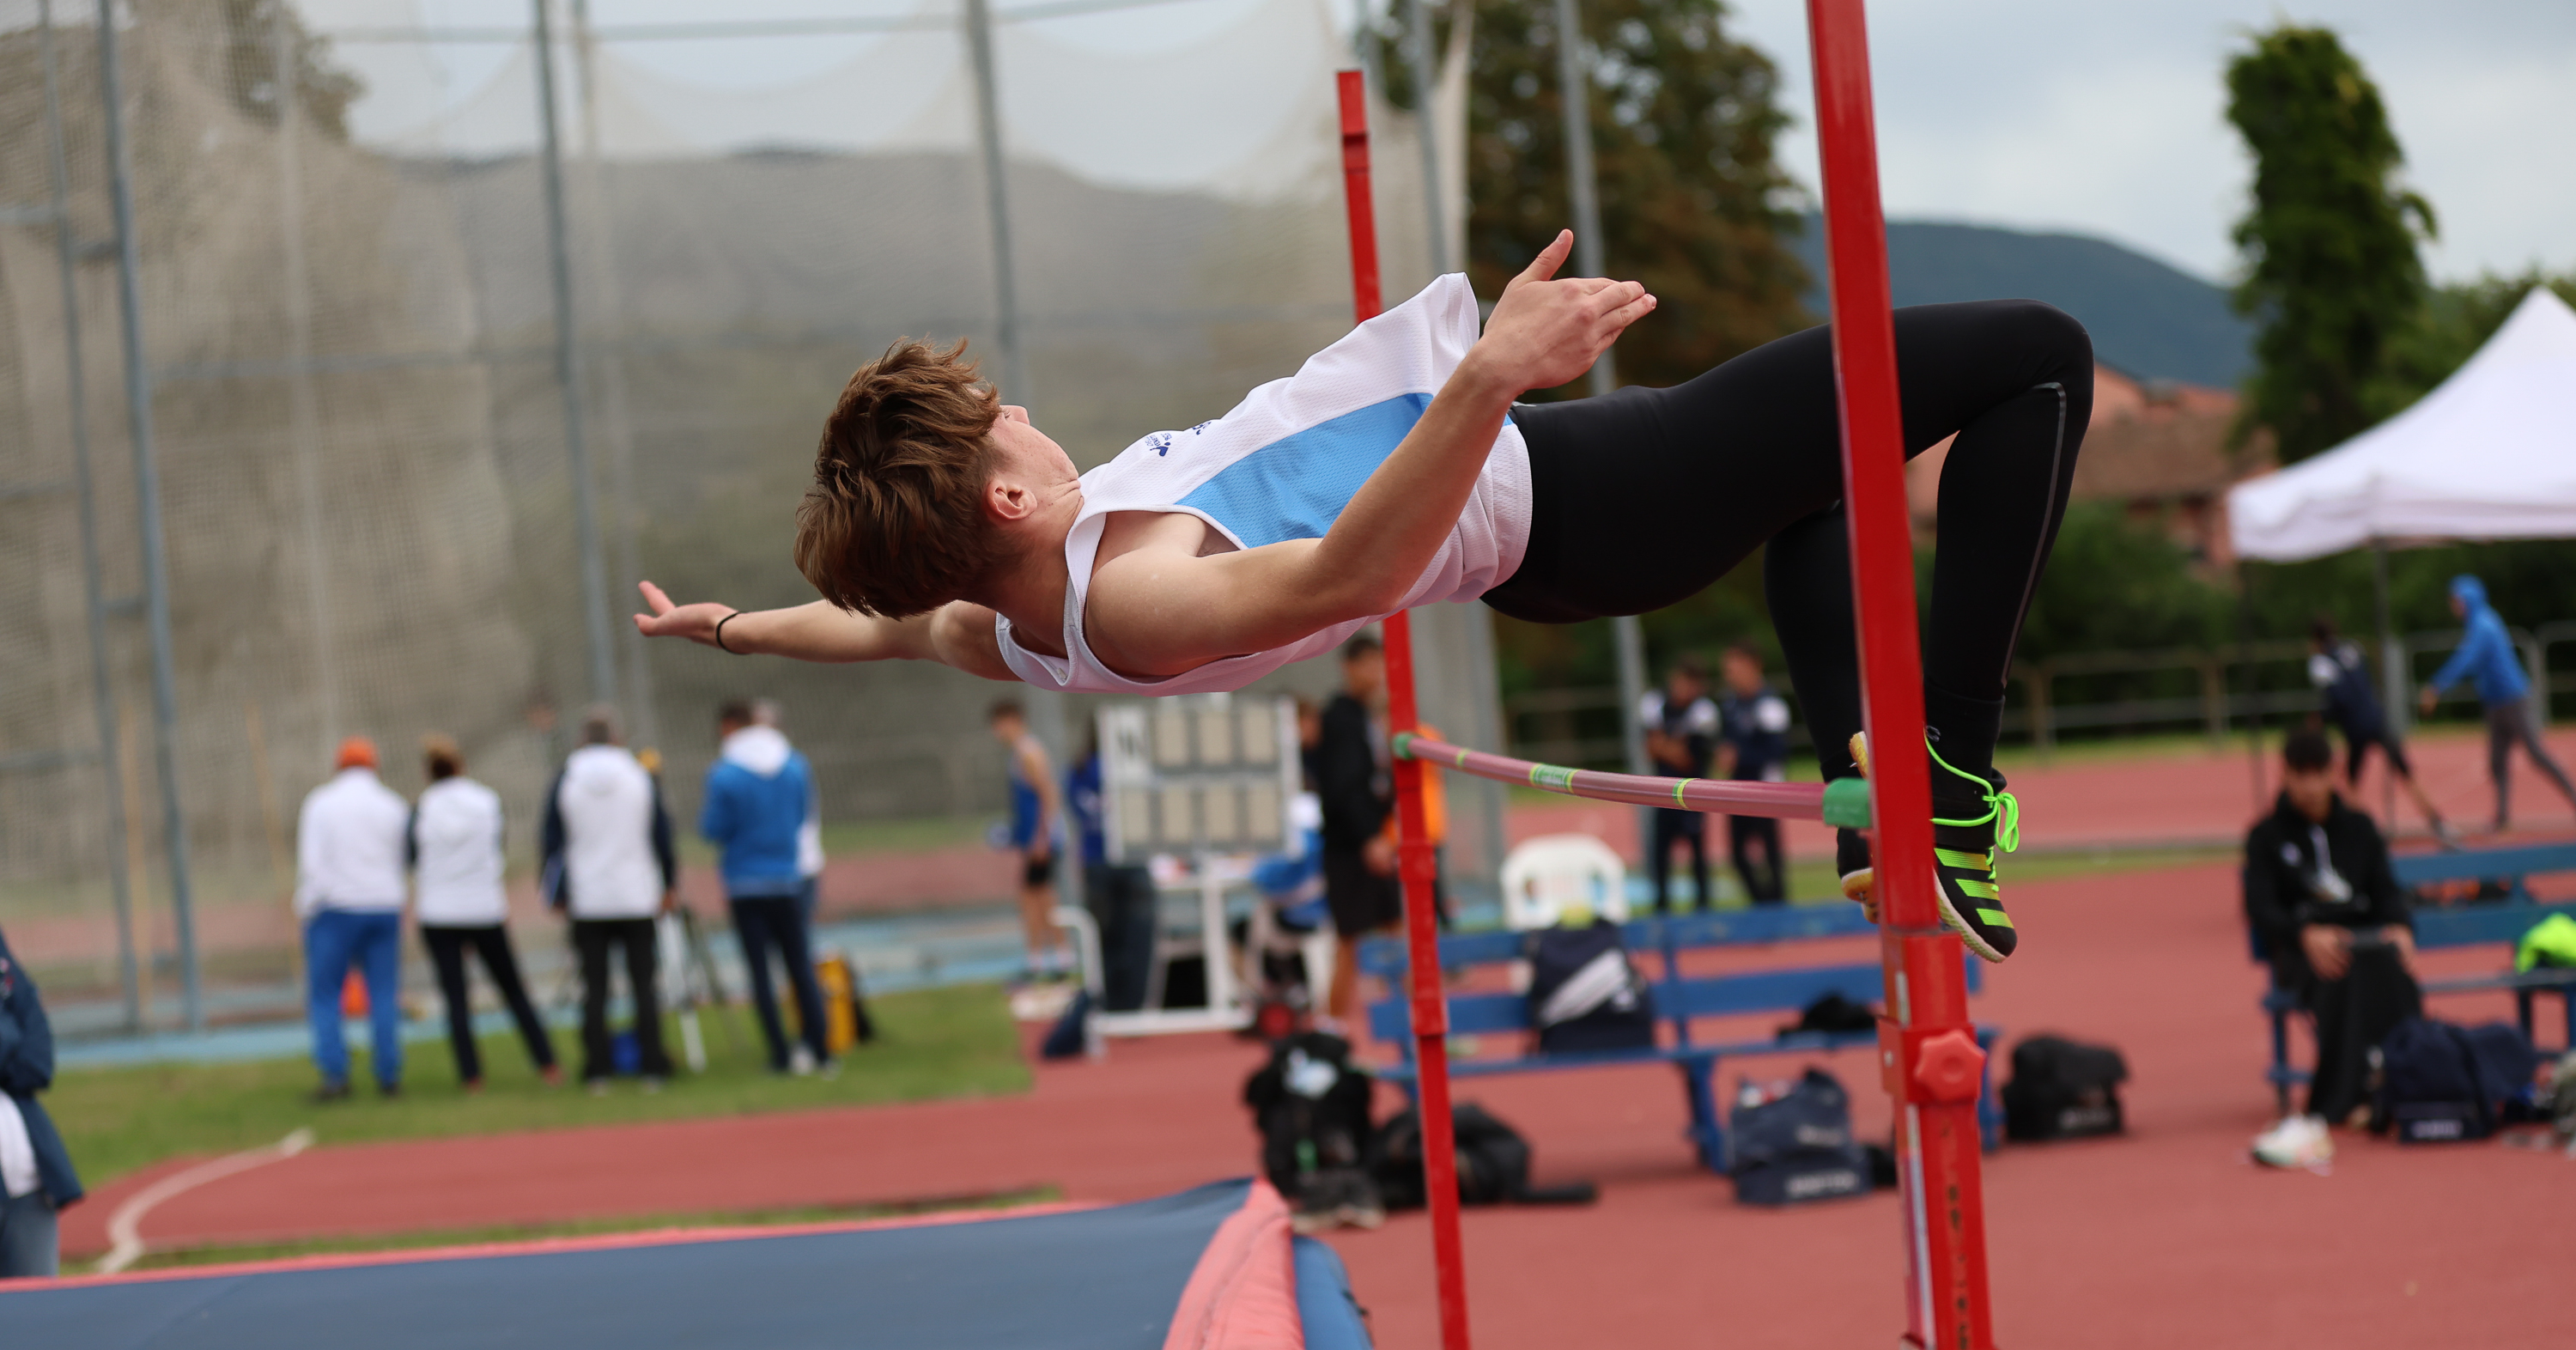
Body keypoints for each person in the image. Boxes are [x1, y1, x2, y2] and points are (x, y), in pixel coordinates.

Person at [635, 234, 2090, 963]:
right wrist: (1490, 372)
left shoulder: (990, 620)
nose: (1021, 415)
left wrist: (731, 627)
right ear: (1002, 503)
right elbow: (1352, 576)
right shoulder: (1132, 600)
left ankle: (1886, 807)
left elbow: (876, 629)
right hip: (1597, 497)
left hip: (1569, 512)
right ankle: (1955, 781)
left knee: (1821, 488)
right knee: (2038, 356)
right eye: (1000, 427)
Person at [2244, 727, 2419, 1168]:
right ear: (2285, 775)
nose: (2309, 786)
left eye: (2317, 774)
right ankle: (2341, 1099)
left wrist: (2400, 926)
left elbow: (2386, 890)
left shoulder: (2360, 828)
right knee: (2340, 968)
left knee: (2392, 971)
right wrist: (2303, 932)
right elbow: (2260, 907)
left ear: (2333, 773)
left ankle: (2406, 1082)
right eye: (2299, 775)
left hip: (2364, 942)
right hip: (2303, 950)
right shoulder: (2265, 836)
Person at [410, 735, 560, 1091]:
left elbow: (413, 857)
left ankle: (471, 1077)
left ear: (428, 772)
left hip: (439, 912)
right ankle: (547, 1064)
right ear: (460, 765)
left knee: (456, 998)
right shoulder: (487, 801)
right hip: (484, 908)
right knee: (513, 990)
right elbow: (497, 847)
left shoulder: (422, 808)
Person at [541, 708, 677, 1092]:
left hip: (588, 899)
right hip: (637, 895)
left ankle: (598, 1070)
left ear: (582, 740)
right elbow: (662, 834)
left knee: (594, 989)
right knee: (644, 986)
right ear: (617, 738)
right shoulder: (639, 775)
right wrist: (669, 884)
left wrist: (556, 894)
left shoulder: (566, 778)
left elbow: (551, 842)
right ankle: (653, 1066)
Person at [702, 700, 833, 1076]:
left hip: (745, 882)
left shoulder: (724, 773)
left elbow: (713, 828)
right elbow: (803, 815)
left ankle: (780, 1054)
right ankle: (820, 1050)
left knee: (760, 973)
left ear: (730, 726)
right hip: (789, 878)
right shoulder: (794, 764)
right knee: (800, 966)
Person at [295, 736, 410, 1102]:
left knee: (327, 994)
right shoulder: (393, 805)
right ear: (374, 765)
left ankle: (335, 1075)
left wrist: (309, 905)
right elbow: (402, 859)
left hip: (335, 909)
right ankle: (388, 1076)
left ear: (339, 765)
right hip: (384, 907)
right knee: (383, 994)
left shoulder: (321, 802)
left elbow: (312, 863)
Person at [2417, 575, 2576, 831]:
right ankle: (2502, 818)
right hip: (2495, 704)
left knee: (2537, 755)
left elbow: (2467, 660)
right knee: (2497, 761)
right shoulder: (2478, 623)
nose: (2453, 605)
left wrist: (2437, 686)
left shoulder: (2484, 625)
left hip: (2513, 699)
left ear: (2469, 599)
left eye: (2456, 600)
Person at [1315, 635, 1400, 1028]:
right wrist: (1369, 838)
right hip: (1350, 847)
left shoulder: (1370, 716)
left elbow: (1375, 779)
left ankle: (1417, 1021)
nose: (1376, 673)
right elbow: (1345, 786)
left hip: (1373, 838)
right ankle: (1331, 1028)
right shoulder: (1340, 718)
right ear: (1348, 668)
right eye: (1367, 664)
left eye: (1379, 664)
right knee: (1349, 940)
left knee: (1396, 928)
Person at [2311, 616, 2451, 842]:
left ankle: (2357, 832)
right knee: (2406, 773)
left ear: (2315, 640)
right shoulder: (2352, 648)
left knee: (2351, 783)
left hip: (2355, 726)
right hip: (2376, 717)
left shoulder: (2320, 663)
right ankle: (2438, 823)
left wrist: (2321, 720)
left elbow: (2335, 699)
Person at [0, 925, 82, 1278]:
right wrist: (10, 1031)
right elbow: (11, 1032)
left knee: (37, 1306)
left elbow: (38, 1059)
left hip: (26, 1187)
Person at [1064, 718, 1156, 1011]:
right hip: (1130, 862)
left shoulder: (1077, 770)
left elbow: (1078, 813)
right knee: (1138, 941)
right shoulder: (1129, 769)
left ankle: (1106, 1002)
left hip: (1096, 863)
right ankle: (1133, 1005)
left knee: (1102, 940)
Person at [988, 700, 1070, 980]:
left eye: (998, 725)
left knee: (1040, 899)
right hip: (1035, 838)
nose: (996, 732)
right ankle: (1045, 959)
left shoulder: (1028, 752)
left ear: (1012, 720)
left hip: (1042, 839)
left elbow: (1048, 793)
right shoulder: (1021, 752)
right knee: (1035, 898)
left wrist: (1041, 837)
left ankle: (1055, 958)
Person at [1715, 640, 1793, 905]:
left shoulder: (1769, 704)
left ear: (1753, 666)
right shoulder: (1730, 703)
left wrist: (1740, 756)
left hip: (1764, 788)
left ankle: (1778, 905)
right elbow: (1729, 740)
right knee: (1737, 854)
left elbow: (1777, 751)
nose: (1729, 675)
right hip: (1738, 787)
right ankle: (1761, 905)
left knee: (1770, 853)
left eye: (1733, 668)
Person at [1640, 655, 1719, 913]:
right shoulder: (1655, 703)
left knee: (1698, 850)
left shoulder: (1704, 711)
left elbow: (1688, 758)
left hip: (1694, 793)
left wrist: (1665, 747)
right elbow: (1650, 748)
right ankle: (1661, 906)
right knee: (1660, 851)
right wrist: (1669, 748)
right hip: (1663, 792)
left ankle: (1703, 905)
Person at [753, 699, 827, 927]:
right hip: (767, 869)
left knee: (797, 934)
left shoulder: (792, 766)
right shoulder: (743, 769)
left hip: (796, 866)